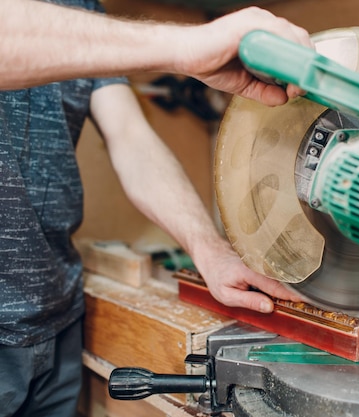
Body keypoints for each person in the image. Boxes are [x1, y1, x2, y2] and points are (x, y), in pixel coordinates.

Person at [0, 1, 311, 416]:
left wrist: (209, 248)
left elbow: (131, 139)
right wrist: (186, 46)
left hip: (57, 316)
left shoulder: (82, 8)